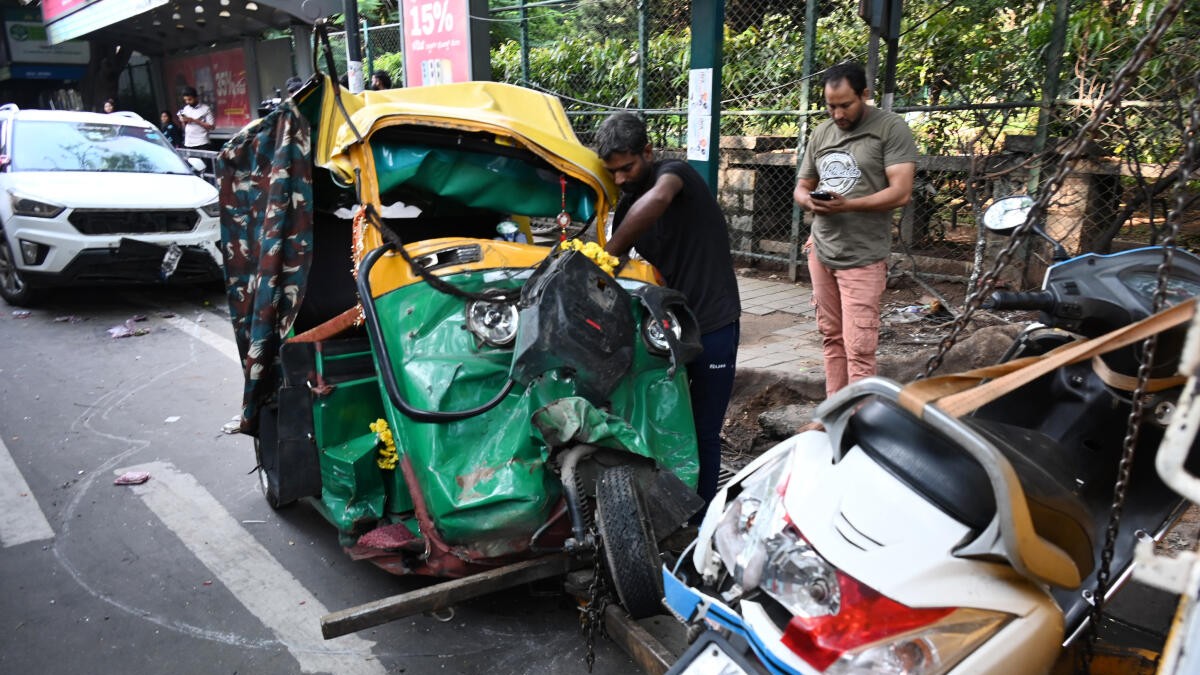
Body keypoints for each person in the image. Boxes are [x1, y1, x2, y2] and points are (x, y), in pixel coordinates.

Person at [596, 111, 742, 510]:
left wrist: (605, 255)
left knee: (705, 429)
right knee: (669, 424)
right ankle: (665, 506)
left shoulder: (676, 176)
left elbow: (659, 199)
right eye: (613, 172)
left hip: (713, 321)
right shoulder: (627, 207)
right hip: (670, 330)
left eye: (627, 167)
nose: (621, 178)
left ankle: (701, 518)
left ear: (648, 150)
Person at [793, 61, 917, 399]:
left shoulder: (890, 128)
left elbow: (901, 192)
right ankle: (834, 412)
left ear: (865, 94)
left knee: (860, 346)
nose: (837, 114)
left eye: (845, 105)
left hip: (862, 257)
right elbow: (801, 186)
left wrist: (847, 205)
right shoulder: (822, 133)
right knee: (831, 337)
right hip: (822, 249)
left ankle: (861, 421)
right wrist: (810, 201)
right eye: (831, 106)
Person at [177, 86, 216, 151]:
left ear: (196, 98)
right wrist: (183, 121)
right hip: (189, 142)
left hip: (202, 142)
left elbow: (212, 127)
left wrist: (193, 120)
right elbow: (184, 125)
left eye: (189, 99)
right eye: (185, 100)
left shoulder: (206, 109)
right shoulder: (186, 108)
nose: (187, 102)